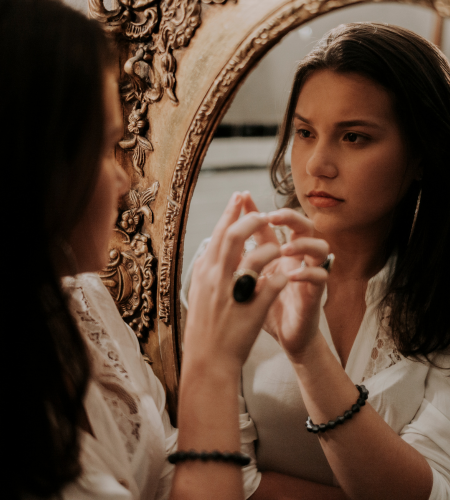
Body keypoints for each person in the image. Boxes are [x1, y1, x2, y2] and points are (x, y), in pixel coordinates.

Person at [1, 1, 290, 499]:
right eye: (103, 146)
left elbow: (164, 472)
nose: (125, 177)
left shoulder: (83, 301)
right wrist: (210, 364)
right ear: (33, 161)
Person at [181, 22, 450, 500]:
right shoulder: (235, 273)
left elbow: (435, 486)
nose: (316, 165)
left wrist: (308, 354)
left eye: (354, 138)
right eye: (305, 132)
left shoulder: (441, 289)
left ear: (422, 156)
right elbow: (216, 476)